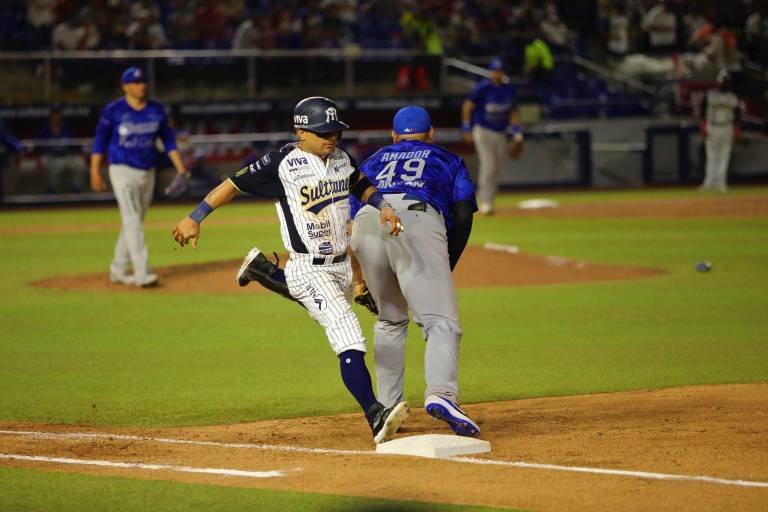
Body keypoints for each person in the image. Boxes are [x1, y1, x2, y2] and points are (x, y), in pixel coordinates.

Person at [171, 97, 409, 445]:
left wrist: (382, 205)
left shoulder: (341, 158)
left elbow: (360, 183)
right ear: (301, 132)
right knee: (348, 335)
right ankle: (375, 414)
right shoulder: (280, 163)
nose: (332, 138)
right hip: (309, 265)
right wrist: (195, 217)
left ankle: (262, 270)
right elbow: (233, 184)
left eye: (335, 131)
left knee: (323, 307)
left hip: (342, 265)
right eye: (324, 132)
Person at [349, 106, 480, 437]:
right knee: (440, 321)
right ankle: (441, 394)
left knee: (389, 320)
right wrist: (447, 260)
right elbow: (463, 214)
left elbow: (349, 223)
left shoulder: (373, 160)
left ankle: (387, 407)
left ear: (393, 135)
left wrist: (358, 280)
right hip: (415, 218)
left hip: (367, 224)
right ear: (431, 133)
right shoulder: (447, 159)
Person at [91, 66, 189, 287]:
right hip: (121, 169)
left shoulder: (156, 109)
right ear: (124, 86)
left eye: (143, 81)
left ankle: (117, 269)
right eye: (135, 82)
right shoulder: (113, 110)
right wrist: (94, 171)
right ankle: (142, 272)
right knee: (132, 219)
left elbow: (169, 141)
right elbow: (100, 141)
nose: (141, 85)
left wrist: (180, 168)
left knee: (133, 222)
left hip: (148, 171)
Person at [461, 57, 523, 215]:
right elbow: (467, 106)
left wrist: (517, 134)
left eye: (500, 70)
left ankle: (490, 200)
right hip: (483, 129)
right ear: (491, 72)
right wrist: (467, 128)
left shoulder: (508, 89)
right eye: (495, 70)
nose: (498, 73)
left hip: (500, 132)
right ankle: (485, 201)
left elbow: (513, 112)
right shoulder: (483, 88)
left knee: (497, 166)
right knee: (488, 164)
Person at [698, 69, 742, 193]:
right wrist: (703, 126)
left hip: (727, 127)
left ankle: (721, 183)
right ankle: (709, 183)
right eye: (722, 81)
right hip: (713, 126)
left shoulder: (733, 97)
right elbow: (702, 112)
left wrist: (737, 130)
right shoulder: (710, 95)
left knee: (724, 155)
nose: (723, 83)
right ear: (717, 81)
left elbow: (737, 115)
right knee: (711, 155)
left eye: (725, 81)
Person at [36, 105, 88, 194]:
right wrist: (39, 158)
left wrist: (79, 154)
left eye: (58, 114)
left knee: (80, 164)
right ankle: (51, 193)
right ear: (51, 115)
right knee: (54, 167)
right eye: (55, 114)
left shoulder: (67, 126)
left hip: (67, 156)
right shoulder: (44, 128)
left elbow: (74, 144)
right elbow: (39, 147)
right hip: (51, 157)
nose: (57, 116)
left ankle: (76, 191)